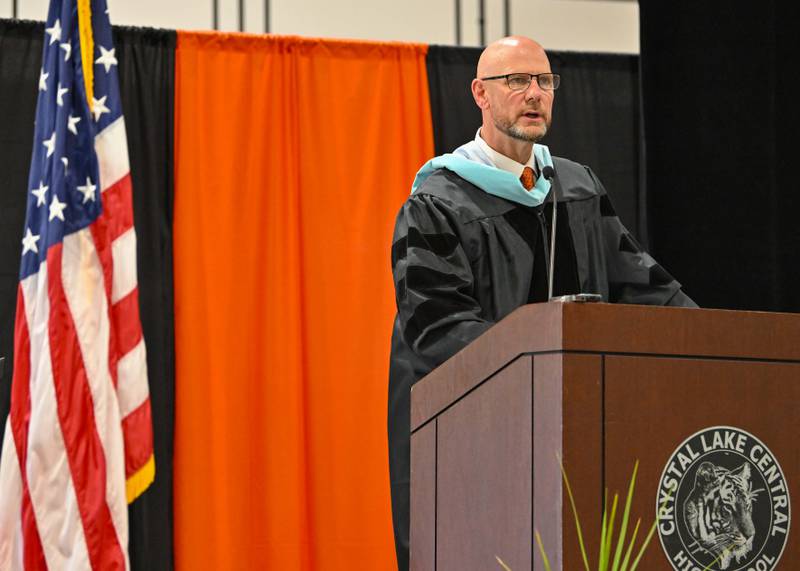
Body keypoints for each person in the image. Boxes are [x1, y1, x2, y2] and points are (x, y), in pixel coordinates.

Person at [387, 36, 696, 570]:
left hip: (571, 428)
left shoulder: (575, 187)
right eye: (516, 81)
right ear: (480, 93)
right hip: (472, 439)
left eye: (544, 81)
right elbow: (435, 327)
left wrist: (710, 340)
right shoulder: (438, 202)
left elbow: (643, 285)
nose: (534, 93)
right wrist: (539, 363)